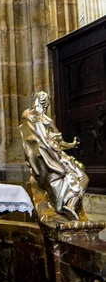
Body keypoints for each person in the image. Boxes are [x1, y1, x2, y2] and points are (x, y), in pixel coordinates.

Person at [19, 91, 88, 220]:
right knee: (82, 177)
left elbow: (29, 139)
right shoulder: (46, 120)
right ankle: (70, 205)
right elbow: (59, 143)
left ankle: (69, 205)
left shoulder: (26, 115)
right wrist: (72, 145)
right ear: (47, 104)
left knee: (76, 176)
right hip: (56, 158)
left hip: (41, 162)